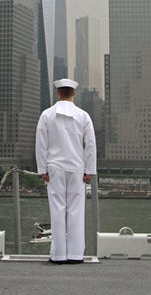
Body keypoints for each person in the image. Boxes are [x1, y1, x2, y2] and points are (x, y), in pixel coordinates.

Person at [35, 78, 97, 264]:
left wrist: (42, 169)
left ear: (57, 92)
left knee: (57, 210)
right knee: (77, 211)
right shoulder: (83, 116)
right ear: (74, 93)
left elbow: (41, 144)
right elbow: (91, 145)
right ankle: (76, 254)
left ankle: (59, 254)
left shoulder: (47, 115)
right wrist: (90, 170)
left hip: (54, 167)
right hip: (77, 167)